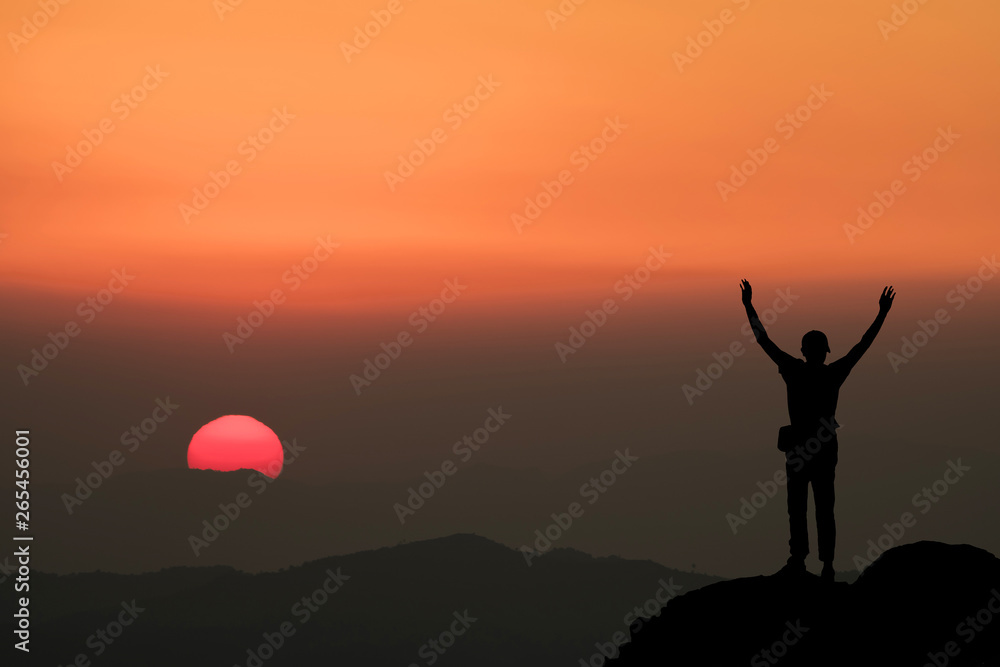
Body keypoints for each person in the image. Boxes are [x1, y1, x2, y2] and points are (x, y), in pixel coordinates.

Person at [740, 280, 895, 581]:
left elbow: (763, 340)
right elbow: (863, 344)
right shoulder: (833, 373)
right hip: (824, 447)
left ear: (804, 351)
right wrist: (882, 313)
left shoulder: (792, 370)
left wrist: (748, 304)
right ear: (824, 352)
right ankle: (826, 566)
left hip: (799, 448)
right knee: (825, 507)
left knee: (796, 506)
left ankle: (798, 559)